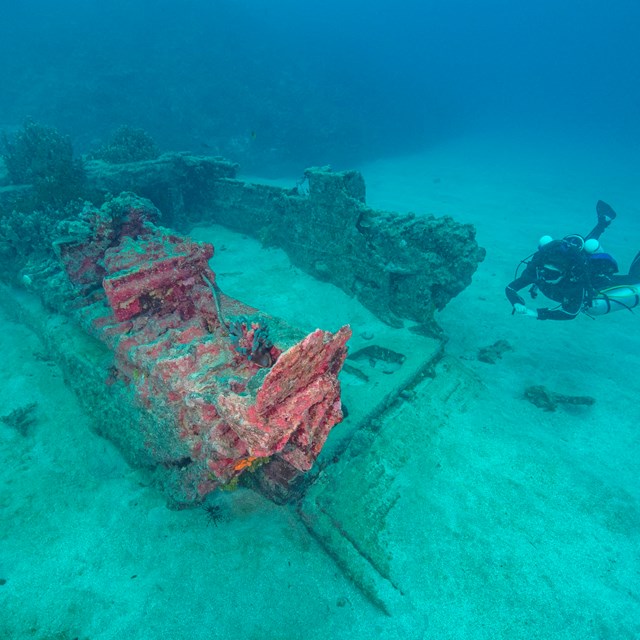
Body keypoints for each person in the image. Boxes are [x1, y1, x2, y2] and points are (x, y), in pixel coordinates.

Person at [506, 201, 640, 320]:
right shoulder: (537, 271)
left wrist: (538, 314)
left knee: (634, 279)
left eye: (552, 274)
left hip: (594, 276)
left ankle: (603, 224)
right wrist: (516, 302)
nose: (546, 277)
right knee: (585, 247)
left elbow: (570, 313)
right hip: (575, 256)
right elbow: (510, 288)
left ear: (564, 273)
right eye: (545, 272)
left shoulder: (575, 282)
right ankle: (603, 223)